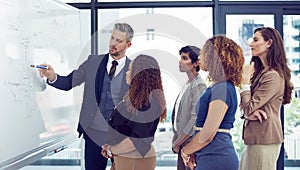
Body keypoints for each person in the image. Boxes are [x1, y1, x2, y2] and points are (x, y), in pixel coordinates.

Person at [38, 23, 134, 170]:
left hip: (121, 134)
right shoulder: (93, 62)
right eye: (112, 38)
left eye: (118, 41)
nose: (113, 43)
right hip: (94, 132)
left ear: (128, 44)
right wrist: (52, 76)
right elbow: (69, 82)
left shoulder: (133, 69)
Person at [181, 35, 244, 170]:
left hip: (216, 157)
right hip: (208, 155)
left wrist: (185, 150)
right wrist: (193, 149)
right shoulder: (218, 86)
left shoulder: (222, 88)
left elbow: (208, 134)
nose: (199, 58)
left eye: (204, 53)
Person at [239, 27, 293, 170]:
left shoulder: (273, 75)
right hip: (256, 139)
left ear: (269, 43)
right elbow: (246, 107)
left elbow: (249, 106)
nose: (251, 44)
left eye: (256, 40)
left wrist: (244, 83)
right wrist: (248, 113)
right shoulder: (262, 73)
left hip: (264, 138)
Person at [101, 54, 167, 170]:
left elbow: (136, 140)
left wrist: (112, 150)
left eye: (130, 69)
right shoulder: (135, 99)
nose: (127, 72)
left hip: (134, 160)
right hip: (123, 158)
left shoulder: (148, 103)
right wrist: (110, 147)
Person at [171, 46, 207, 170]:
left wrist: (178, 142)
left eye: (185, 58)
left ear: (196, 63)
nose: (180, 61)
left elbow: (195, 119)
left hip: (189, 143)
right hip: (183, 142)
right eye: (180, 58)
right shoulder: (188, 84)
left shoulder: (199, 85)